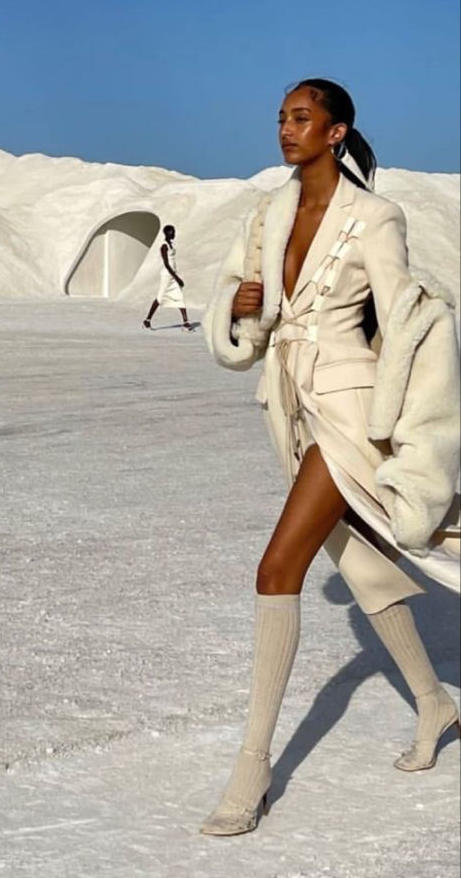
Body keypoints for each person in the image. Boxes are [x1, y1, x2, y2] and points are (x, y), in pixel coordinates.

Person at [200, 78, 460, 837]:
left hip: (348, 408)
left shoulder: (375, 216)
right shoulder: (268, 213)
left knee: (276, 568)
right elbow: (237, 303)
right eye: (281, 116)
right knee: (363, 566)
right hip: (289, 409)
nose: (286, 129)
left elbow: (408, 319)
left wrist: (415, 436)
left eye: (302, 117)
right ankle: (435, 702)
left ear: (336, 131)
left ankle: (250, 770)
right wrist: (238, 309)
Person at [143, 224, 192, 331]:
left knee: (179, 296)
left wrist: (176, 276)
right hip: (167, 275)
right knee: (160, 298)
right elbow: (166, 264)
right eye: (172, 232)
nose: (174, 233)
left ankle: (186, 322)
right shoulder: (164, 246)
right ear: (167, 233)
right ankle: (147, 321)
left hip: (173, 274)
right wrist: (177, 278)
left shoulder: (172, 245)